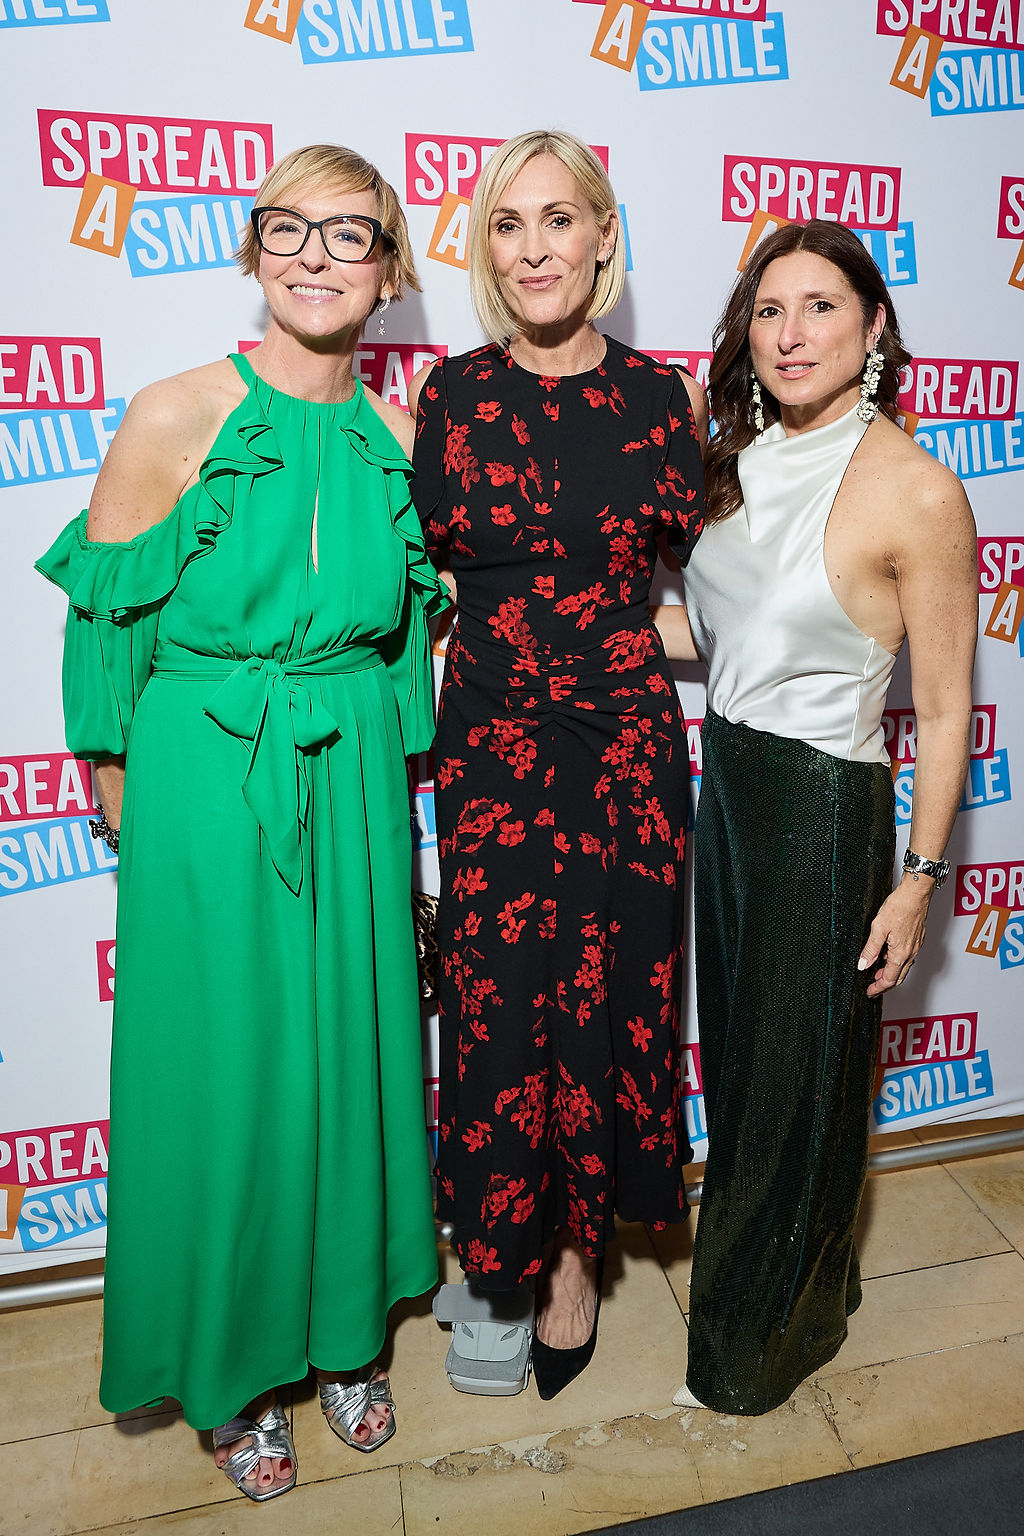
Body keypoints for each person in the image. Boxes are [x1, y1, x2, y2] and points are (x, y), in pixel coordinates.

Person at [36, 144, 449, 1499]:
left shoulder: (400, 440)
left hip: (353, 779)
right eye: (288, 228)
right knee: (226, 1078)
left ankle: (344, 1333)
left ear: (389, 271)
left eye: (350, 235)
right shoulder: (177, 413)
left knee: (352, 1064)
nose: (315, 257)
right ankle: (236, 1367)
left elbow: (411, 645)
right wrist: (128, 809)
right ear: (251, 249)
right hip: (205, 778)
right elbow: (106, 626)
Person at [654, 219, 977, 1416]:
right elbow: (714, 634)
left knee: (799, 1085)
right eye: (769, 310)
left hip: (822, 809)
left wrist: (917, 878)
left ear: (873, 325)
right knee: (747, 1073)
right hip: (730, 791)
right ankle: (811, 1293)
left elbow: (940, 708)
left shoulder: (917, 491)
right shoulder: (730, 460)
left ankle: (748, 1351)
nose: (790, 335)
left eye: (821, 306)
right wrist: (553, 626)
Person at [408, 129, 707, 1400]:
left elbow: (716, 591)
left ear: (601, 235)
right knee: (496, 1002)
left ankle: (578, 1265)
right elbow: (415, 591)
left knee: (611, 999)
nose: (534, 249)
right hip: (489, 748)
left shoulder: (659, 400)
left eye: (558, 219)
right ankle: (499, 1256)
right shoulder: (449, 397)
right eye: (507, 224)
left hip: (626, 748)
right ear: (488, 250)